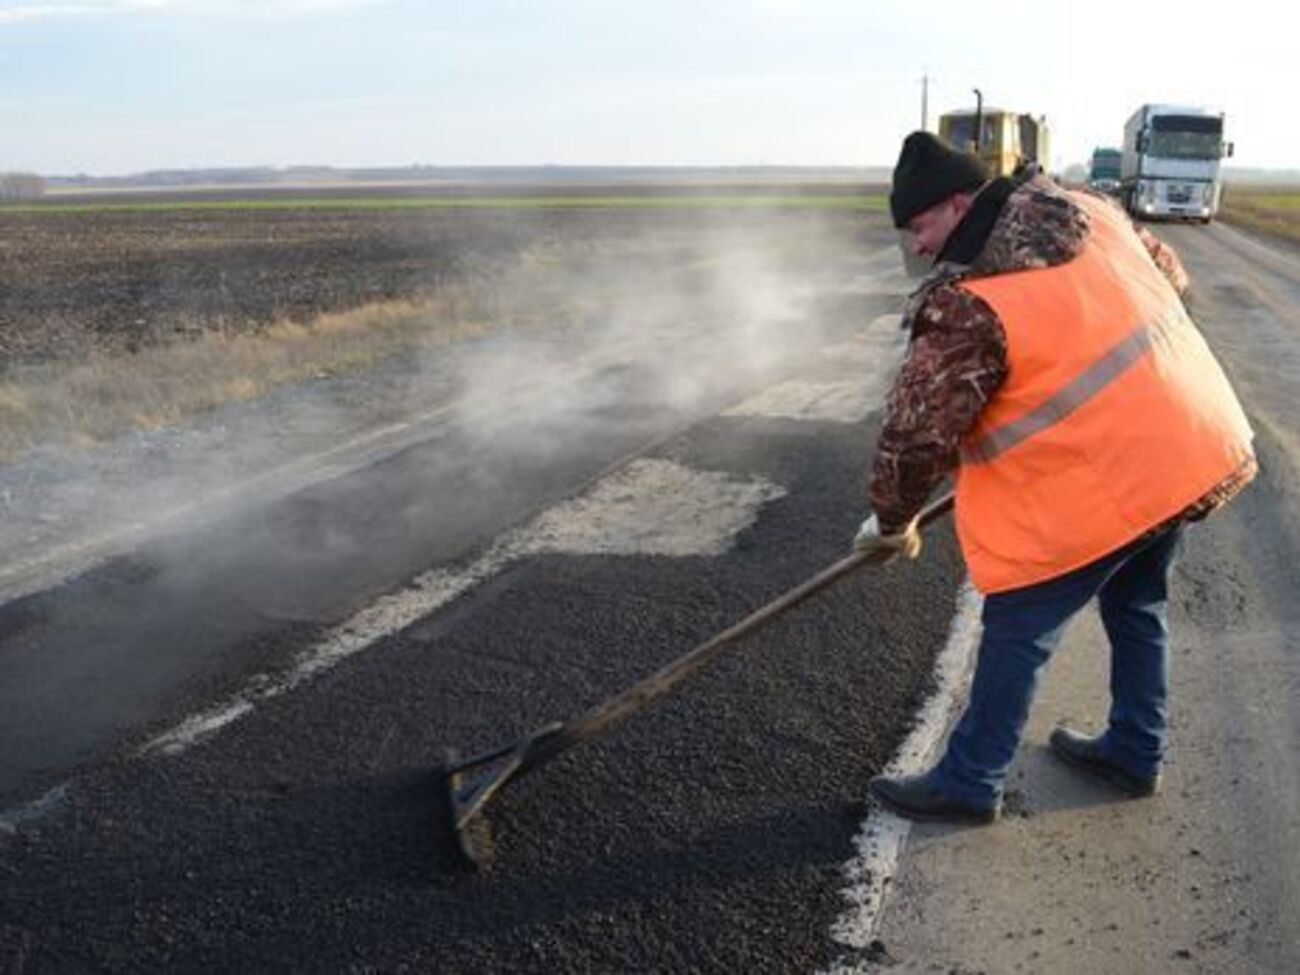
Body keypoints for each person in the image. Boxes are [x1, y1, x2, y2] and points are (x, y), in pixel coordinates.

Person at [855, 131, 1257, 824]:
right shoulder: (1088, 209)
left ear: (958, 203)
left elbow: (917, 434)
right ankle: (1137, 750)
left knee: (1017, 620)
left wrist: (892, 522)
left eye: (920, 226)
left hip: (1125, 471)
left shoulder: (971, 300)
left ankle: (970, 780)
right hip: (1192, 445)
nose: (917, 246)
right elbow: (1171, 277)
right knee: (1137, 603)